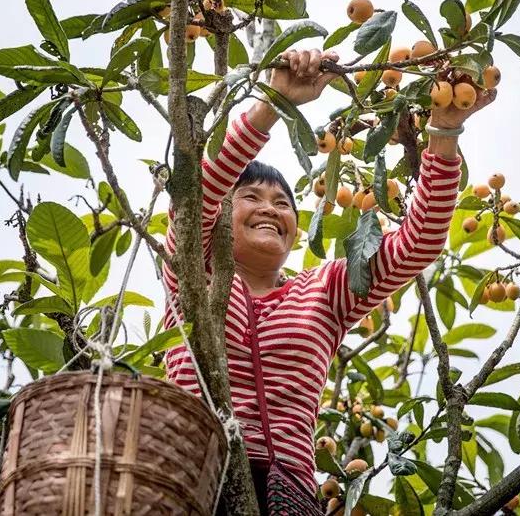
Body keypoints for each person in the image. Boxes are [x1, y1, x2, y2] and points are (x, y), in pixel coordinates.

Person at [161, 48, 495, 513]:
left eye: (283, 204)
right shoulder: (194, 271)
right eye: (251, 196)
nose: (269, 209)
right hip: (186, 475)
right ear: (219, 214)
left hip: (287, 495)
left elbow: (419, 244)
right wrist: (275, 102)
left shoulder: (323, 290)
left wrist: (444, 131)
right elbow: (195, 192)